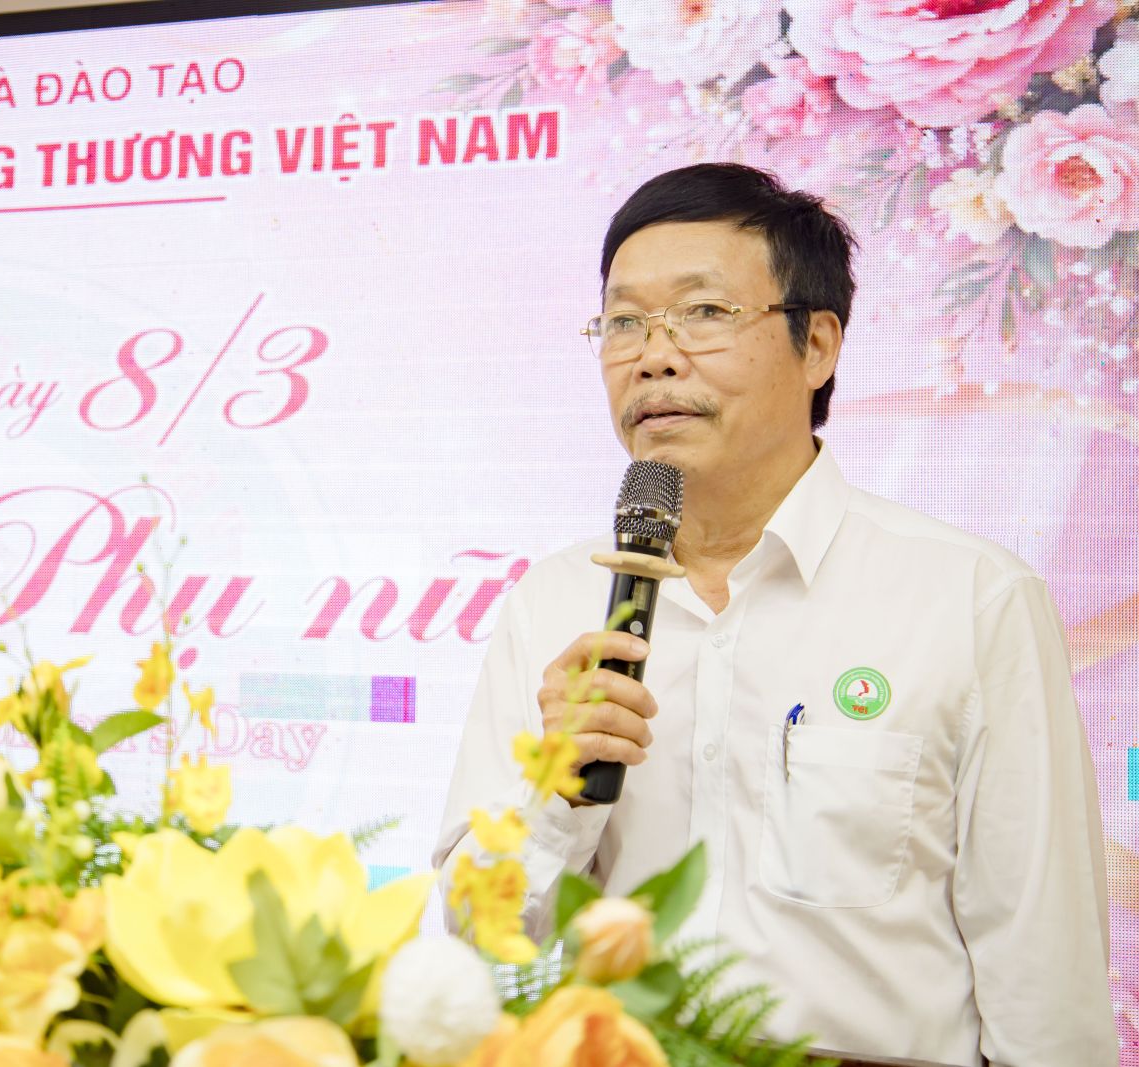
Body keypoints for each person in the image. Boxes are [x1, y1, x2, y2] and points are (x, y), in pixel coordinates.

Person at [433, 163, 1116, 1066]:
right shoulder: (555, 601)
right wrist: (554, 791)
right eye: (624, 321)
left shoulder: (971, 599)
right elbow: (473, 938)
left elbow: (1044, 973)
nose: (654, 355)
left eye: (704, 312)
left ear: (818, 344)